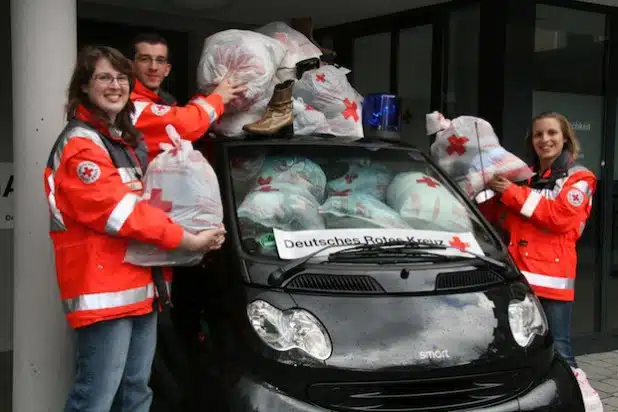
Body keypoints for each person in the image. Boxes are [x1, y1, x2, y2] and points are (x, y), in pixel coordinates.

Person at [43, 45, 226, 412]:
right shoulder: (81, 145)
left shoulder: (121, 142)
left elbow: (146, 206)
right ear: (84, 87)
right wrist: (188, 239)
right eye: (104, 77)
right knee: (95, 399)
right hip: (106, 293)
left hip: (141, 288)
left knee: (136, 394)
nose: (115, 85)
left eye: (121, 78)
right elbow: (122, 213)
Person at [478, 111, 599, 405]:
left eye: (552, 133)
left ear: (565, 137)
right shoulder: (525, 179)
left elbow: (559, 218)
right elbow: (503, 217)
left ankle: (582, 404)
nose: (545, 139)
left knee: (560, 352)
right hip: (521, 281)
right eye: (538, 135)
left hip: (553, 284)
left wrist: (511, 192)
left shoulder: (580, 178)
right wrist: (480, 189)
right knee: (518, 351)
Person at [130, 32, 247, 163]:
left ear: (167, 69)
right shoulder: (129, 103)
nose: (153, 67)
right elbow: (183, 124)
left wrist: (209, 95)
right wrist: (217, 98)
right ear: (131, 66)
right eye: (145, 59)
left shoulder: (166, 102)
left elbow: (182, 114)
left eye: (160, 60)